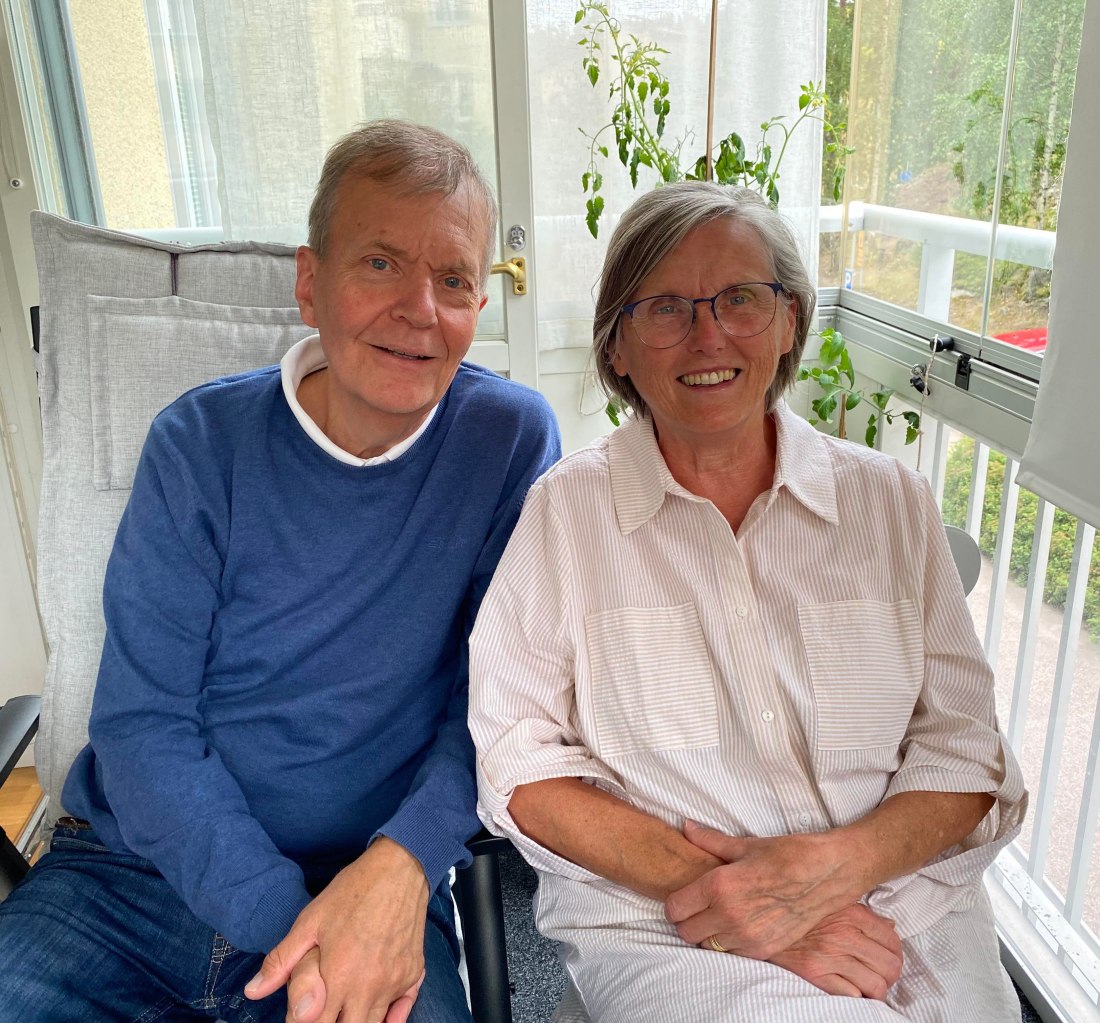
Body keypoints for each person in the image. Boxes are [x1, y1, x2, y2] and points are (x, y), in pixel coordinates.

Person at [0, 120, 560, 1023]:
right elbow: (142, 728)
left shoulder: (508, 443)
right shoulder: (197, 444)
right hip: (133, 881)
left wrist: (404, 864)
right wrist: (296, 932)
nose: (421, 307)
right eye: (380, 262)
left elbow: (501, 702)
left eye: (454, 278)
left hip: (369, 878)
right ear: (310, 283)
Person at [469, 181, 1026, 1022]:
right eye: (664, 307)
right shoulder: (567, 516)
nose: (708, 335)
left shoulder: (889, 503)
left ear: (789, 320)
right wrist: (738, 894)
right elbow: (517, 760)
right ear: (617, 347)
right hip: (676, 927)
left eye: (741, 298)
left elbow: (967, 746)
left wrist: (833, 872)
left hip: (910, 901)